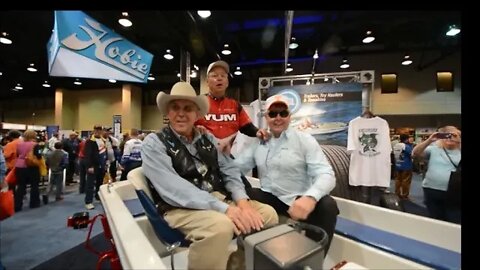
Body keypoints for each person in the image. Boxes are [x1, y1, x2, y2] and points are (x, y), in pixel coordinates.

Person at [141, 81, 278, 270]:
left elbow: (229, 170)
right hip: (178, 206)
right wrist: (226, 209)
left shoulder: (208, 139)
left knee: (268, 215)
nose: (181, 113)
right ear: (167, 112)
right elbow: (173, 188)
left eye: (187, 108)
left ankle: (238, 264)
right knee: (220, 228)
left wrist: (243, 204)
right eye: (175, 107)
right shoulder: (153, 143)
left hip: (216, 199)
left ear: (197, 114)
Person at [233, 94, 339, 255]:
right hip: (271, 197)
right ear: (266, 116)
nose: (278, 118)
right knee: (238, 189)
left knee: (328, 205)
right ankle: (247, 253)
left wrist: (310, 198)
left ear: (290, 116)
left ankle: (313, 261)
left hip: (299, 197)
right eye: (273, 113)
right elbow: (236, 169)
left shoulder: (305, 140)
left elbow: (326, 174)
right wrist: (222, 155)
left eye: (283, 113)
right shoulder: (259, 143)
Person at [195, 60, 268, 154]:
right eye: (214, 75)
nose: (219, 78)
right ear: (207, 82)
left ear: (227, 82)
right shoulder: (198, 103)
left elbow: (246, 127)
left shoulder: (234, 105)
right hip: (203, 158)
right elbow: (187, 127)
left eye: (223, 76)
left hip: (227, 157)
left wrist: (257, 132)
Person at [412, 125, 461, 224]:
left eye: (454, 135)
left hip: (455, 193)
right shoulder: (434, 149)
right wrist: (429, 140)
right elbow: (415, 153)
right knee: (435, 220)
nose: (450, 138)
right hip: (432, 190)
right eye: (447, 135)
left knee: (454, 219)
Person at [393, 134, 414, 199]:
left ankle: (397, 193)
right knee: (406, 181)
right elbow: (412, 154)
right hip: (406, 166)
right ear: (406, 139)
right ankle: (405, 195)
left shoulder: (396, 145)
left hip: (398, 165)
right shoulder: (406, 146)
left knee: (398, 180)